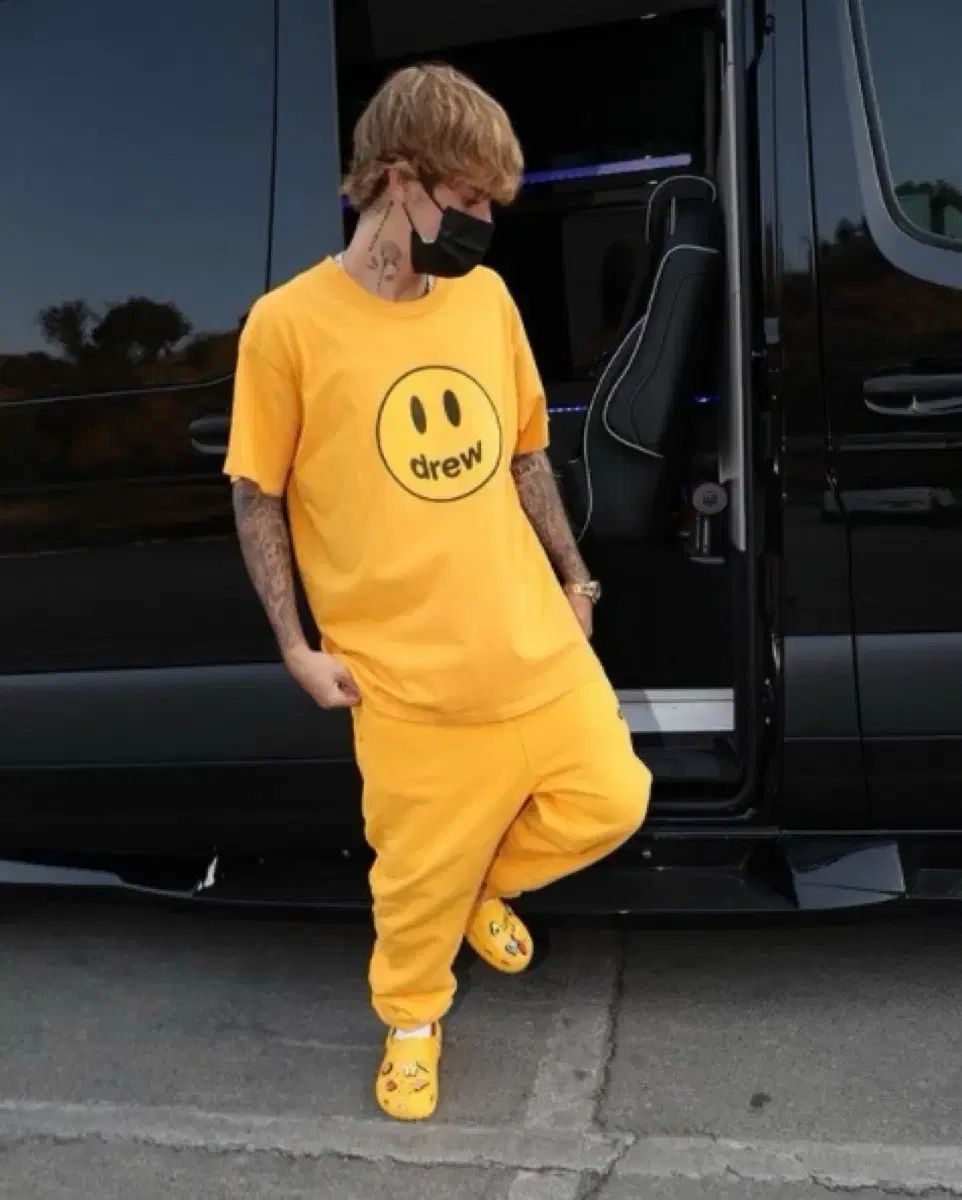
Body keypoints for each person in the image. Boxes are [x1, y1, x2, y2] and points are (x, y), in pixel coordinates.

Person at [223, 62, 652, 1122]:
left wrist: (575, 577)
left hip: (532, 645)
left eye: (490, 206)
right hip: (402, 678)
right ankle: (412, 1024)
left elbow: (525, 454)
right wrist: (294, 645)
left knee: (613, 801)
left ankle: (484, 888)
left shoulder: (485, 300)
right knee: (414, 881)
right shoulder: (287, 327)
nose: (480, 227)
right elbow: (256, 494)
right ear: (398, 180)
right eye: (466, 201)